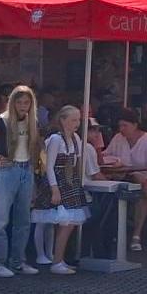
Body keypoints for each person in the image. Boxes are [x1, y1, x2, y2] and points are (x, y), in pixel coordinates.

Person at [0, 85, 42, 276]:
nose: (23, 106)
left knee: (23, 220)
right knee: (1, 220)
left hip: (26, 170)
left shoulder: (33, 121)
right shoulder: (2, 121)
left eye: (27, 102)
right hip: (8, 171)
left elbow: (35, 148)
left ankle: (18, 261)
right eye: (20, 102)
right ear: (13, 103)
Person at [101, 109, 147, 254]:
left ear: (135, 125)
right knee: (138, 181)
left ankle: (136, 235)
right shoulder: (118, 138)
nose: (122, 129)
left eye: (125, 126)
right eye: (120, 126)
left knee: (144, 195)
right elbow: (106, 155)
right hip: (126, 177)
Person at [32, 105, 91, 272]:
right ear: (63, 120)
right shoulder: (56, 139)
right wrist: (54, 189)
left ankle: (59, 259)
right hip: (57, 182)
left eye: (78, 119)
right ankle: (55, 261)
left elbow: (77, 162)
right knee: (63, 222)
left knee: (69, 222)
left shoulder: (76, 139)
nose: (77, 123)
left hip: (70, 181)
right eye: (73, 120)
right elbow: (49, 166)